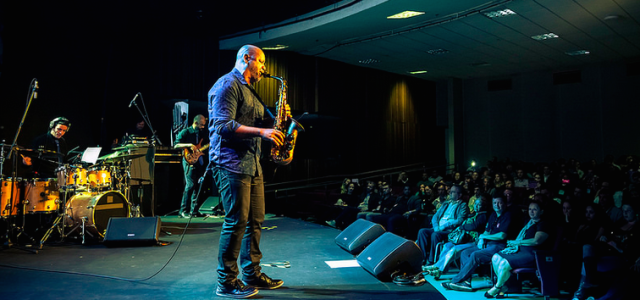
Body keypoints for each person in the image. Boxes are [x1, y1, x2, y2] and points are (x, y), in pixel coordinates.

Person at [209, 45, 286, 298]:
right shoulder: (227, 85)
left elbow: (260, 123)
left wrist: (277, 122)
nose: (264, 68)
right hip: (230, 163)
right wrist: (262, 132)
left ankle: (251, 274)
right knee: (236, 222)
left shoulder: (250, 92)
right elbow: (222, 125)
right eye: (261, 61)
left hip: (252, 164)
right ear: (246, 59)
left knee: (255, 221)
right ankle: (226, 282)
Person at [442, 196, 514, 292]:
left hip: (499, 246)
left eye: (499, 203)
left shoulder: (508, 215)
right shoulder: (493, 215)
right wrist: (481, 239)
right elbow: (487, 231)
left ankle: (455, 281)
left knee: (476, 255)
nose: (497, 205)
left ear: (505, 204)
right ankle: (466, 282)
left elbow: (502, 236)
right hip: (488, 244)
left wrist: (483, 237)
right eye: (494, 203)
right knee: (465, 252)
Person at [487, 200, 552, 298]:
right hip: (520, 251)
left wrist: (518, 242)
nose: (531, 211)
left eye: (535, 209)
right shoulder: (528, 222)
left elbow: (536, 241)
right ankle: (504, 286)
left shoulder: (543, 224)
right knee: (496, 257)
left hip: (532, 254)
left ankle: (497, 287)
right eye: (530, 209)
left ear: (541, 211)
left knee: (503, 263)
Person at [423, 194, 490, 279]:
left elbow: (474, 226)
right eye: (475, 204)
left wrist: (463, 226)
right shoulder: (474, 215)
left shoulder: (483, 216)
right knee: (447, 245)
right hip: (466, 240)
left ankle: (439, 270)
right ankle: (437, 266)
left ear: (484, 206)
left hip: (475, 243)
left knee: (454, 249)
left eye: (479, 204)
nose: (476, 206)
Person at [416, 184, 469, 265]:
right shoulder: (446, 203)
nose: (450, 193)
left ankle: (432, 260)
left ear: (460, 195)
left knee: (435, 234)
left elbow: (460, 220)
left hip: (450, 231)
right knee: (422, 231)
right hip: (438, 228)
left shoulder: (462, 205)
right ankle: (421, 258)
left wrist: (444, 226)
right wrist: (436, 227)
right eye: (450, 192)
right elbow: (435, 216)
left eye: (453, 192)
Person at [174, 114, 209, 218]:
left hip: (199, 161)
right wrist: (189, 145)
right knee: (190, 185)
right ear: (195, 123)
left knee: (198, 187)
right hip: (188, 160)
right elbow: (176, 145)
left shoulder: (203, 133)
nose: (203, 127)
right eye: (201, 125)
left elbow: (204, 146)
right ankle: (183, 210)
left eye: (204, 125)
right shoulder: (186, 132)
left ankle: (194, 211)